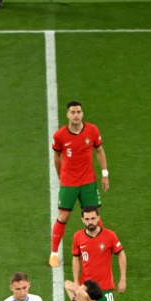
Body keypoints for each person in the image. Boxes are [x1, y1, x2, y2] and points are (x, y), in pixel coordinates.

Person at [49, 101, 109, 268]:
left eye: (78, 112)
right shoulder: (59, 135)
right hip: (69, 183)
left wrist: (105, 174)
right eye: (73, 112)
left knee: (94, 217)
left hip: (88, 181)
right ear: (68, 115)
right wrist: (60, 176)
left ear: (82, 113)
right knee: (63, 216)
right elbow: (57, 157)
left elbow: (99, 151)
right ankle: (54, 254)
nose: (76, 115)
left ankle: (99, 250)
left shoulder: (92, 130)